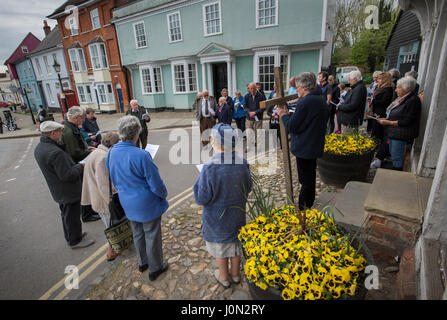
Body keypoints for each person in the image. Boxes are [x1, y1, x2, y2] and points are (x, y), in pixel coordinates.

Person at [107, 115, 169, 281]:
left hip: (126, 200)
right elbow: (156, 184)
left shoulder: (111, 152)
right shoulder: (141, 155)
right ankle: (155, 268)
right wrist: (164, 195)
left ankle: (143, 262)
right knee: (152, 235)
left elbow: (112, 176)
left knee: (137, 233)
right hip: (146, 203)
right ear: (136, 133)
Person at [194, 123, 252, 288]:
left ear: (213, 141)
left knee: (220, 248)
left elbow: (202, 198)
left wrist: (198, 184)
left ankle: (224, 277)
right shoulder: (242, 163)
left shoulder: (209, 168)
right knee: (235, 246)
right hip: (237, 215)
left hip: (216, 219)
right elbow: (248, 187)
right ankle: (235, 275)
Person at [34, 121, 95, 249]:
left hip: (58, 190)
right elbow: (68, 175)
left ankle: (71, 235)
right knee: (72, 216)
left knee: (65, 214)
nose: (62, 133)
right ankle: (75, 240)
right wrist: (81, 165)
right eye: (59, 131)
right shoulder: (55, 152)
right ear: (52, 133)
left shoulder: (40, 147)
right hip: (68, 191)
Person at [278, 72, 328, 210]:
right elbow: (306, 121)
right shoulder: (319, 98)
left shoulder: (306, 102)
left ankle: (303, 208)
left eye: (298, 87)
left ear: (304, 87)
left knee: (305, 180)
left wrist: (283, 115)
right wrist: (290, 115)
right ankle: (308, 204)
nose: (297, 90)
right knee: (310, 177)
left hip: (305, 148)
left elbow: (292, 127)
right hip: (313, 145)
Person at [81, 131, 120, 260]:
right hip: (103, 199)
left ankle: (114, 249)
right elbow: (104, 185)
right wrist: (112, 202)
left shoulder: (97, 152)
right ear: (113, 144)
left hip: (96, 195)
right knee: (111, 227)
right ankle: (111, 253)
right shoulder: (103, 157)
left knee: (110, 225)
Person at [371, 76, 421, 171]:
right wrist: (386, 119)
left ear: (408, 89)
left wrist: (388, 122)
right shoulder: (404, 98)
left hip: (400, 135)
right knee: (388, 147)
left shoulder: (413, 101)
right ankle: (381, 162)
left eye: (399, 87)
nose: (396, 90)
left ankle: (395, 175)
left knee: (396, 159)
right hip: (393, 133)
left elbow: (406, 121)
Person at [61, 106, 100, 222]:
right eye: (82, 118)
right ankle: (86, 214)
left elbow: (77, 146)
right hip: (78, 164)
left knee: (86, 187)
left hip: (80, 162)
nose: (83, 120)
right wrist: (89, 152)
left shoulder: (71, 127)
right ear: (77, 117)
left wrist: (87, 147)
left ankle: (90, 210)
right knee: (84, 189)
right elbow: (74, 152)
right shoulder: (68, 131)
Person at [336, 70, 367, 134]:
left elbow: (353, 105)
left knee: (348, 139)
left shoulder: (359, 88)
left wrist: (340, 107)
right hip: (348, 119)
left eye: (349, 80)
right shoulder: (355, 87)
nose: (348, 81)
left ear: (355, 79)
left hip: (351, 120)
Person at [370, 72, 394, 141]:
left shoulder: (388, 89)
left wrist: (373, 100)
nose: (378, 80)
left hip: (381, 112)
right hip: (377, 111)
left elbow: (384, 102)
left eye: (380, 79)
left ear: (385, 80)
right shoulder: (382, 87)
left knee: (378, 132)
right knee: (375, 130)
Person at [243, 82, 266, 148]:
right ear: (249, 89)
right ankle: (249, 146)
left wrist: (255, 112)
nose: (252, 90)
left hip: (258, 117)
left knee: (259, 132)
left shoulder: (261, 96)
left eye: (253, 88)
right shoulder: (246, 96)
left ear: (256, 88)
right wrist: (249, 112)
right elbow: (245, 106)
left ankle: (259, 146)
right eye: (251, 89)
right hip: (249, 117)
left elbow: (263, 107)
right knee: (249, 132)